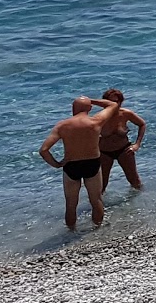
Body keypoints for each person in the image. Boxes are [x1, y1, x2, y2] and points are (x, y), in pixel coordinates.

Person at [38, 96, 123, 231]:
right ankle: (97, 230)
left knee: (71, 204)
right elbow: (112, 105)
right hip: (92, 163)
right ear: (89, 108)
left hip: (71, 165)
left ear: (73, 109)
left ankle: (71, 232)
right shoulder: (96, 122)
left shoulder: (62, 126)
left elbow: (44, 150)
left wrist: (57, 164)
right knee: (96, 200)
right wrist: (90, 101)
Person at [97, 88, 146, 191]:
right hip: (104, 153)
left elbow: (142, 124)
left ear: (120, 101)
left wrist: (137, 144)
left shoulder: (125, 114)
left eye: (116, 101)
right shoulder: (100, 117)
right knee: (101, 184)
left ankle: (143, 203)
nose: (114, 104)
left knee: (134, 180)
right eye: (110, 102)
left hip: (124, 150)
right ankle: (98, 206)